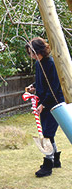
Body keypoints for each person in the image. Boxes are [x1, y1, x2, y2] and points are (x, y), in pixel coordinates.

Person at [25, 37, 65, 177]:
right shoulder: (38, 63)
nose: (31, 56)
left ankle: (47, 166)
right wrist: (34, 87)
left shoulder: (51, 64)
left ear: (40, 51)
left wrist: (43, 104)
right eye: (30, 53)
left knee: (47, 134)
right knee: (48, 133)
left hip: (54, 103)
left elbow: (54, 87)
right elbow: (40, 81)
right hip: (44, 101)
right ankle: (55, 161)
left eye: (32, 52)